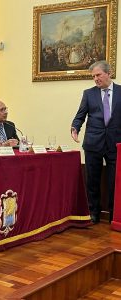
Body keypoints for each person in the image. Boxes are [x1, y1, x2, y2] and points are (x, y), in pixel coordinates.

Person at [71, 60, 121, 224]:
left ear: (109, 73)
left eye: (98, 75)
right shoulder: (89, 93)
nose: (96, 79)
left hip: (115, 143)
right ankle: (94, 213)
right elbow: (80, 115)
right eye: (93, 76)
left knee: (115, 181)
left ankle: (114, 214)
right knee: (92, 180)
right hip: (93, 143)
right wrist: (75, 127)